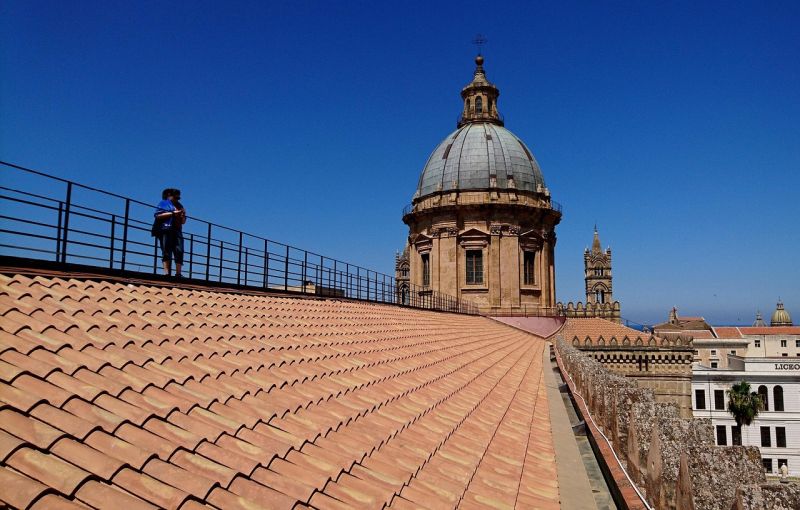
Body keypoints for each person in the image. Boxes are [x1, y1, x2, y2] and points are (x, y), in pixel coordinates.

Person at [154, 188, 186, 276]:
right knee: (166, 250)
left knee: (179, 250)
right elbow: (157, 215)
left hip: (177, 230)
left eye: (178, 198)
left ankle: (178, 273)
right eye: (175, 197)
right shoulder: (163, 203)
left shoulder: (180, 206)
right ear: (169, 196)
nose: (177, 199)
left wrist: (182, 216)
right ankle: (166, 273)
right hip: (166, 229)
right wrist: (173, 213)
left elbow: (183, 222)